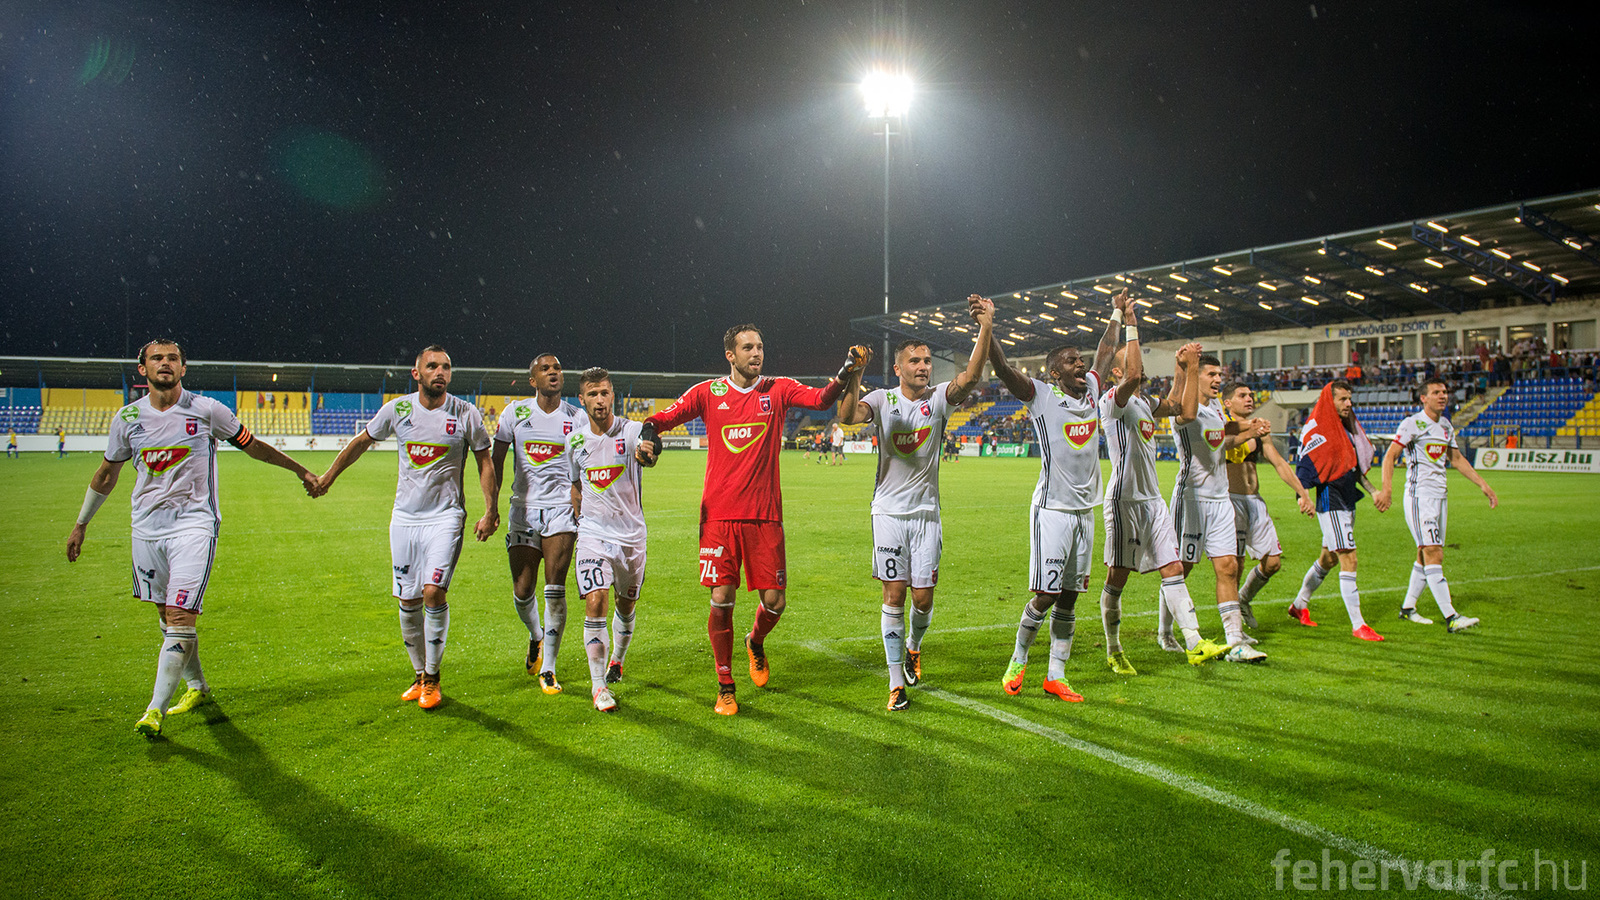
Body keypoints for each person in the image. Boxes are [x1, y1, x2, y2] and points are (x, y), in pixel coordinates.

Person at [66, 339, 319, 738]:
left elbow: (254, 447)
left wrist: (300, 470)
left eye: (173, 359)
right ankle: (197, 686)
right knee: (167, 616)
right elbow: (106, 474)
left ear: (183, 368)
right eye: (156, 358)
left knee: (181, 614)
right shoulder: (127, 419)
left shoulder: (207, 410)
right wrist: (81, 523)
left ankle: (154, 709)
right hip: (146, 529)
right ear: (142, 369)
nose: (165, 363)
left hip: (194, 526)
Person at [639, 325, 866, 715]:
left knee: (775, 602)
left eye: (760, 346)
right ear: (730, 355)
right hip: (719, 516)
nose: (756, 353)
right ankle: (725, 685)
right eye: (747, 347)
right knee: (721, 598)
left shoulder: (777, 389)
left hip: (764, 516)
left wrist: (847, 370)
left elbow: (822, 399)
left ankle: (755, 641)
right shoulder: (708, 393)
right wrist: (647, 435)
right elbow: (662, 418)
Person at [317, 345, 497, 709]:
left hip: (446, 517)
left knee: (433, 592)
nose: (440, 372)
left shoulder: (465, 413)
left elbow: (484, 462)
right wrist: (329, 476)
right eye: (432, 366)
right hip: (404, 518)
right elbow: (361, 442)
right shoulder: (398, 410)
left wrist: (490, 510)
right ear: (417, 374)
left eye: (446, 366)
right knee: (408, 599)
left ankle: (432, 677)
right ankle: (418, 675)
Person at [838, 296, 992, 710]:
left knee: (922, 598)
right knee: (894, 595)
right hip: (888, 512)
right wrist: (856, 374)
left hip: (926, 514)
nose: (923, 366)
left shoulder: (938, 398)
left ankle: (913, 647)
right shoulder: (882, 399)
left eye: (926, 361)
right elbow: (847, 416)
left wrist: (985, 327)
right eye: (915, 361)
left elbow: (971, 377)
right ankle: (895, 685)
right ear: (898, 368)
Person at [986, 289, 1119, 700]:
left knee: (1071, 597)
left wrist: (1118, 312)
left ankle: (1056, 675)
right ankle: (1018, 659)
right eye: (1071, 361)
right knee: (1046, 593)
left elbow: (1106, 352)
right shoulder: (1042, 396)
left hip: (1085, 512)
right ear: (1054, 373)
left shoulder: (1092, 389)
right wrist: (988, 327)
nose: (1081, 364)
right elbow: (1003, 368)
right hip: (1052, 510)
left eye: (1080, 360)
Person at [1098, 298, 1230, 668]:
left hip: (1153, 500)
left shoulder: (1145, 404)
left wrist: (1183, 369)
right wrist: (1132, 322)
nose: (1139, 369)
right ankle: (1114, 649)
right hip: (1124, 501)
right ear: (1116, 372)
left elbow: (1181, 408)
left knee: (1172, 567)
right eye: (1131, 364)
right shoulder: (1114, 401)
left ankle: (1194, 642)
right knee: (1117, 578)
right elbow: (1133, 376)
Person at [489, 354, 587, 693]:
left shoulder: (577, 417)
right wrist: (492, 506)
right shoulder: (515, 413)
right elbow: (496, 460)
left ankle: (549, 668)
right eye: (545, 369)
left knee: (554, 589)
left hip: (561, 510)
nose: (553, 373)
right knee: (522, 590)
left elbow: (587, 462)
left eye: (557, 368)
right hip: (523, 510)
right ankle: (536, 635)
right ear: (533, 380)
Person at [1168, 354, 1274, 663]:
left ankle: (1235, 642)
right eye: (1211, 374)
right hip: (1192, 499)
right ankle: (1165, 631)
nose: (1217, 379)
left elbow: (1220, 441)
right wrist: (1185, 367)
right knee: (1180, 570)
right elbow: (1190, 420)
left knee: (1228, 567)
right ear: (1196, 375)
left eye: (1219, 374)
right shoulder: (1184, 406)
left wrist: (1248, 429)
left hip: (1221, 499)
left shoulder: (1215, 406)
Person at [1374, 378, 1496, 632]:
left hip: (1440, 497)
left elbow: (1456, 458)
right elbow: (1390, 456)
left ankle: (1408, 609)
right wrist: (1387, 489)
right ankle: (1452, 617)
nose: (1443, 396)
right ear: (1423, 398)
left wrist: (1483, 485)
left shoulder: (1445, 425)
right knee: (1434, 551)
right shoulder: (1412, 423)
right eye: (1436, 392)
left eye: (1445, 391)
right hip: (1420, 497)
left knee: (1424, 553)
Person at [566, 367, 653, 712]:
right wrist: (580, 521)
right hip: (593, 533)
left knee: (625, 605)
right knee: (595, 601)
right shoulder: (575, 441)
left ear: (613, 396)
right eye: (593, 394)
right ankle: (598, 686)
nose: (599, 400)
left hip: (631, 536)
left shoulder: (630, 431)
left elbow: (646, 447)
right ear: (582, 399)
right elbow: (576, 485)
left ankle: (618, 658)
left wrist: (648, 451)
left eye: (604, 393)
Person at [1289, 380, 1385, 640]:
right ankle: (1358, 625)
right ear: (1329, 401)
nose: (1349, 404)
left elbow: (1352, 468)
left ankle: (1299, 605)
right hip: (1331, 501)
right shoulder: (1318, 430)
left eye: (1350, 398)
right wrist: (1302, 497)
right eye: (1343, 399)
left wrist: (1373, 491)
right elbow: (1305, 466)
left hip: (1348, 499)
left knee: (1328, 559)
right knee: (1349, 558)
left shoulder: (1345, 429)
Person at [1221, 383, 1314, 630]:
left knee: (1273, 562)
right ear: (1228, 403)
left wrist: (1302, 493)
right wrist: (1248, 430)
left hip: (1255, 502)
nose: (1249, 399)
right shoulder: (1222, 425)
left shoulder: (1260, 430)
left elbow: (1279, 463)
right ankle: (1233, 625)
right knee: (1236, 564)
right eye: (1242, 395)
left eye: (1251, 395)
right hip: (1230, 501)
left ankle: (1243, 599)